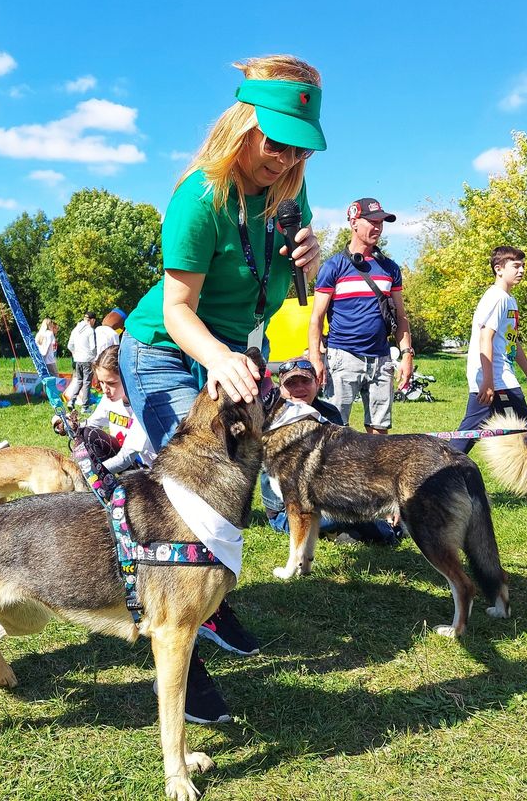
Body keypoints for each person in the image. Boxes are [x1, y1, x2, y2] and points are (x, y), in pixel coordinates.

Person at [120, 55, 325, 723]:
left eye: (298, 144)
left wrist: (310, 263)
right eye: (274, 138)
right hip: (163, 351)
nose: (285, 155)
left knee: (233, 487)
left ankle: (210, 604)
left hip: (229, 353)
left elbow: (273, 297)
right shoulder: (199, 199)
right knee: (192, 490)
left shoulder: (291, 198)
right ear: (242, 126)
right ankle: (183, 645)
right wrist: (217, 357)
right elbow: (179, 309)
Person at [261, 358, 402, 545]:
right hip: (288, 511)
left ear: (317, 383)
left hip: (327, 497)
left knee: (368, 507)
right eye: (291, 383)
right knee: (367, 517)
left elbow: (352, 460)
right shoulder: (272, 418)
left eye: (305, 381)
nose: (299, 388)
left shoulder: (330, 413)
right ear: (281, 388)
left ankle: (353, 529)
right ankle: (373, 530)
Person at [309, 198, 414, 432]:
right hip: (343, 357)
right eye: (372, 221)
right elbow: (316, 318)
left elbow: (401, 317)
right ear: (354, 222)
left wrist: (407, 354)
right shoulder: (333, 267)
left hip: (381, 359)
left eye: (382, 222)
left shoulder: (390, 268)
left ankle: (376, 471)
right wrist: (316, 359)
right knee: (333, 430)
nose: (378, 227)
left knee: (380, 431)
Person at [449, 246, 527, 452]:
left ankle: (441, 472)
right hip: (497, 381)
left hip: (499, 378)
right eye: (516, 266)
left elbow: (513, 343)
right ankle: (440, 473)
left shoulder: (510, 300)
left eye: (523, 266)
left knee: (467, 435)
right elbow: (486, 338)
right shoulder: (496, 298)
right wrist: (489, 381)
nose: (522, 271)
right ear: (498, 269)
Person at [55, 346, 157, 473]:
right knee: (86, 433)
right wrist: (68, 425)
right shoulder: (109, 399)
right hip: (126, 461)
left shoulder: (144, 405)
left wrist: (92, 473)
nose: (105, 389)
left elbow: (126, 458)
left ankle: (105, 484)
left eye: (112, 383)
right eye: (102, 382)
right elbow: (89, 425)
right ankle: (105, 484)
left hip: (150, 470)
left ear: (129, 377)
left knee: (89, 435)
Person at [63, 312, 98, 409]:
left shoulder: (75, 329)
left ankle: (71, 401)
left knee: (79, 381)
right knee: (87, 383)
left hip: (77, 360)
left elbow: (69, 345)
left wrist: (75, 353)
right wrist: (96, 357)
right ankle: (85, 407)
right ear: (92, 320)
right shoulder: (90, 330)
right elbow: (93, 347)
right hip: (87, 360)